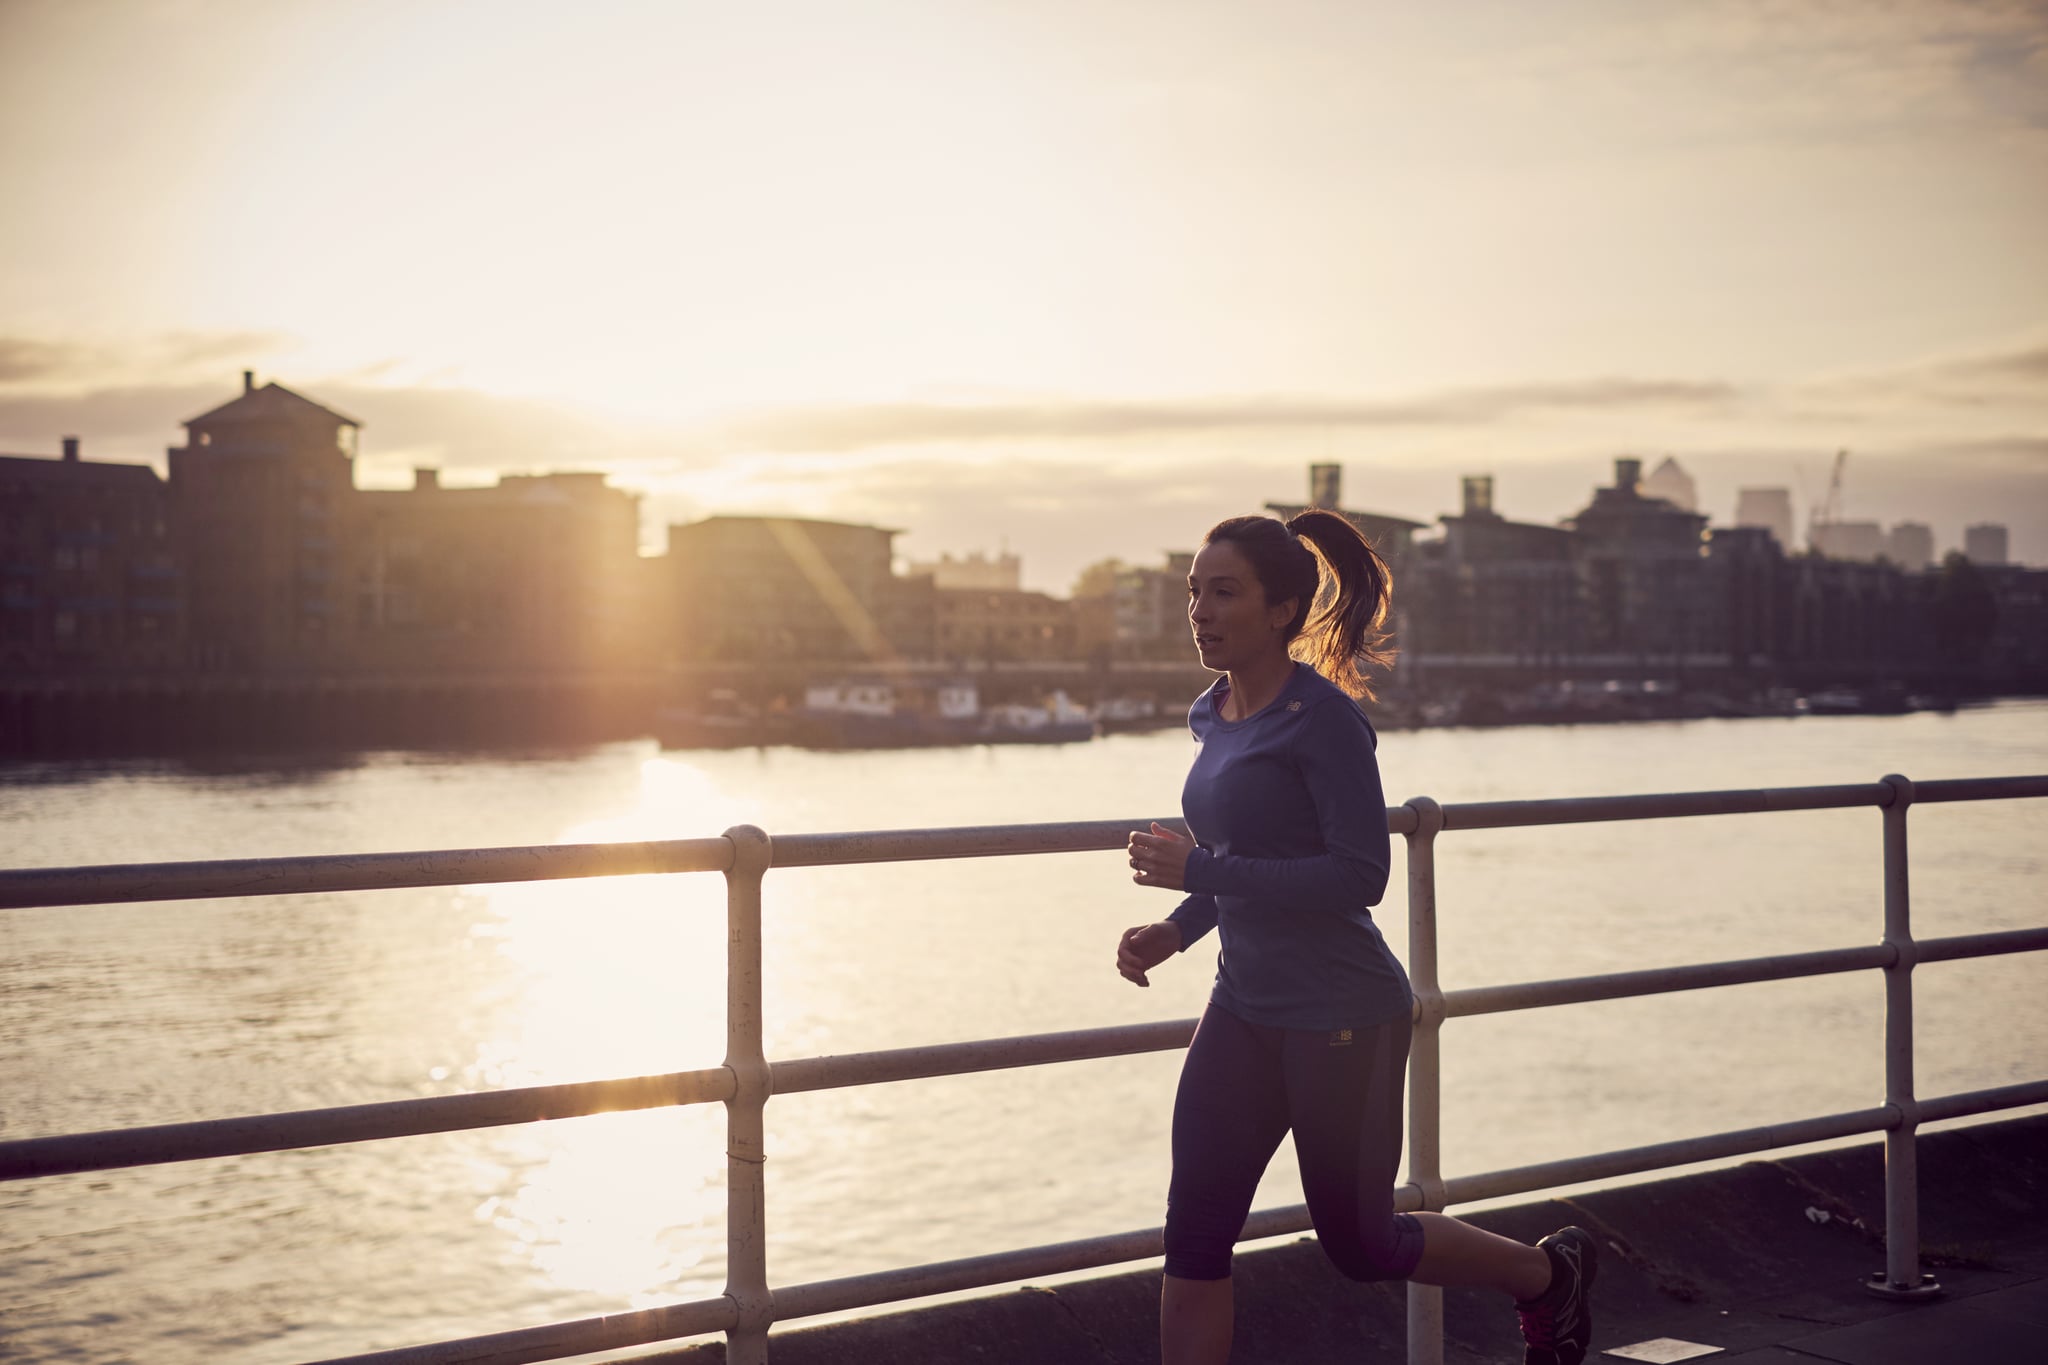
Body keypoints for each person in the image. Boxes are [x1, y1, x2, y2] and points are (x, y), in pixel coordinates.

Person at [1117, 509, 1597, 1365]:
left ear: (1281, 609)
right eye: (1193, 592)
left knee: (1362, 1245)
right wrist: (1177, 928)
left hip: (1342, 1013)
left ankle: (1546, 1277)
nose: (1200, 610)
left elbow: (1356, 875)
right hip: (1244, 1007)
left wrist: (1200, 876)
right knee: (1193, 1237)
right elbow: (1246, 858)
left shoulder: (1324, 720)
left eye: (1223, 592)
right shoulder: (1211, 712)